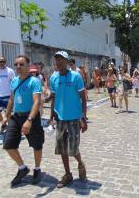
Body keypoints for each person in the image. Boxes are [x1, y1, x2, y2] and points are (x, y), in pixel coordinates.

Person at [2, 55, 44, 187]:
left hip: (30, 117)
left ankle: (37, 169)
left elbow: (37, 101)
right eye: (16, 65)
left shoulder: (34, 81)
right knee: (8, 144)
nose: (18, 67)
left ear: (28, 66)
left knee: (36, 145)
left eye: (21, 64)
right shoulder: (14, 81)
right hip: (16, 117)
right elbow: (11, 100)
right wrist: (5, 115)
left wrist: (29, 120)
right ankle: (22, 168)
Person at [49, 51, 88, 188]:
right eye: (56, 60)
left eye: (61, 60)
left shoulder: (76, 77)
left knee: (73, 148)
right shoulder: (53, 78)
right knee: (61, 148)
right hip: (60, 118)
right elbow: (53, 98)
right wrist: (50, 116)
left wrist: (83, 118)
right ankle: (68, 174)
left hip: (74, 118)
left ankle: (80, 163)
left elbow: (83, 99)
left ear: (66, 61)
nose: (58, 62)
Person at [0, 56, 15, 135]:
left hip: (8, 95)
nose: (2, 63)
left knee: (7, 113)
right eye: (0, 61)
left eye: (3, 61)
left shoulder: (10, 71)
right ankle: (4, 125)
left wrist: (13, 94)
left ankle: (11, 128)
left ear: (5, 62)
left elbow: (14, 83)